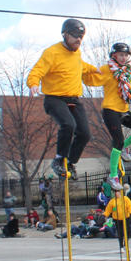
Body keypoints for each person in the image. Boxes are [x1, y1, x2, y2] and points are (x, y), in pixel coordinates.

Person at [27, 19, 100, 179]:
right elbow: (37, 71)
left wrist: (96, 69)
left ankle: (70, 162)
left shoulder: (77, 53)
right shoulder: (52, 52)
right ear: (64, 35)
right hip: (55, 99)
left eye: (81, 36)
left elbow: (80, 65)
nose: (78, 40)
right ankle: (59, 160)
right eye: (74, 36)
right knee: (69, 124)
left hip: (74, 98)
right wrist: (33, 84)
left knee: (85, 134)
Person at [82, 43, 131, 190]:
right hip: (110, 110)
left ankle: (124, 147)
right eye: (120, 55)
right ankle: (113, 176)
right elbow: (90, 79)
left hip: (123, 110)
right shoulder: (107, 70)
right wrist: (80, 70)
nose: (123, 58)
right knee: (117, 140)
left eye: (125, 55)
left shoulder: (130, 71)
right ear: (114, 55)